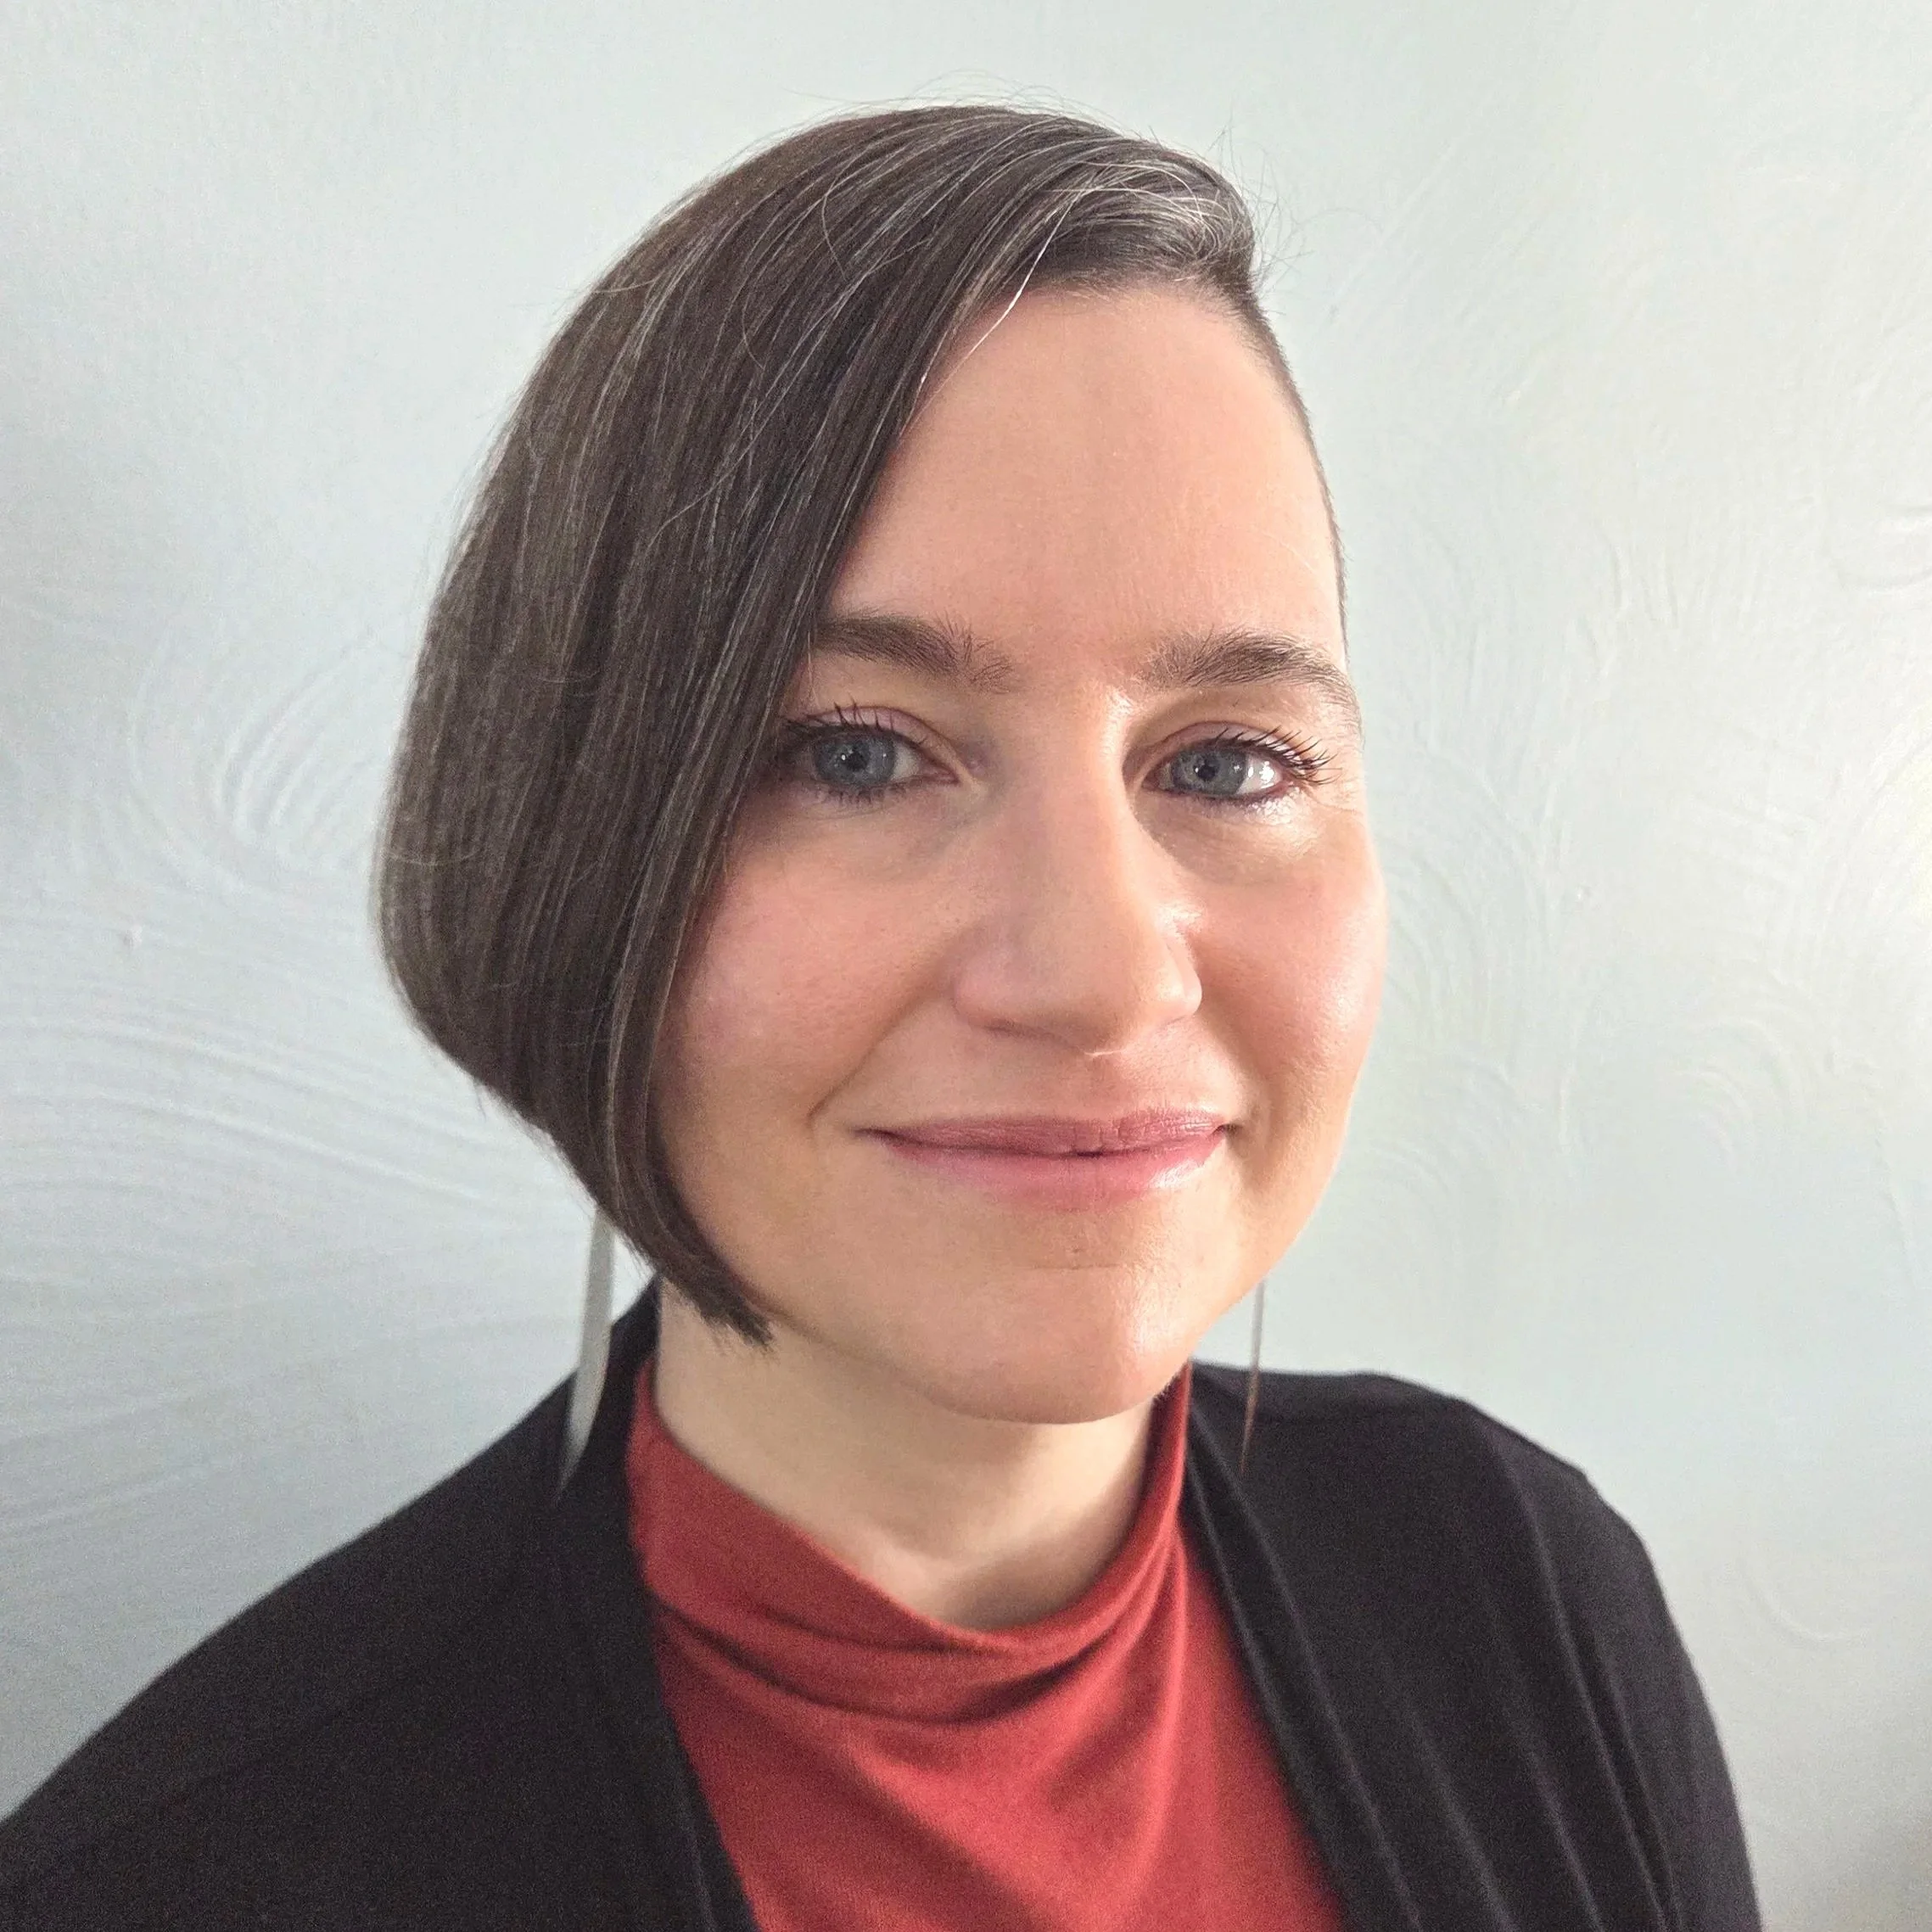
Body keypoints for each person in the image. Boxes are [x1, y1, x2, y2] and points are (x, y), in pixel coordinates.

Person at [0, 103, 1761, 1930]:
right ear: (569, 836)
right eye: (857, 754)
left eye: (1227, 761)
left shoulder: (1520, 1586)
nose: (1102, 974)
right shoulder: (177, 1880)